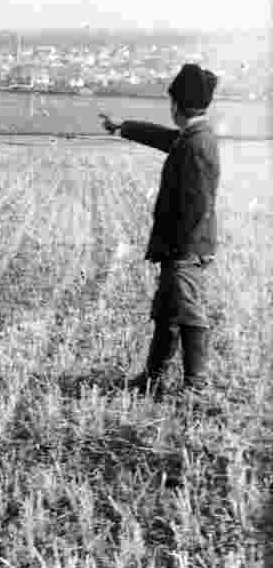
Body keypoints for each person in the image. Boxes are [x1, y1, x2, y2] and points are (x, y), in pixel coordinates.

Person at [99, 63, 220, 404]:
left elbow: (199, 205)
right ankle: (152, 380)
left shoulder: (197, 145)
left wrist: (182, 251)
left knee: (189, 311)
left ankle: (196, 385)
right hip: (179, 246)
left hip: (185, 247)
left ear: (178, 106)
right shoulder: (194, 137)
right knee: (166, 311)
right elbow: (162, 137)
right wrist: (123, 128)